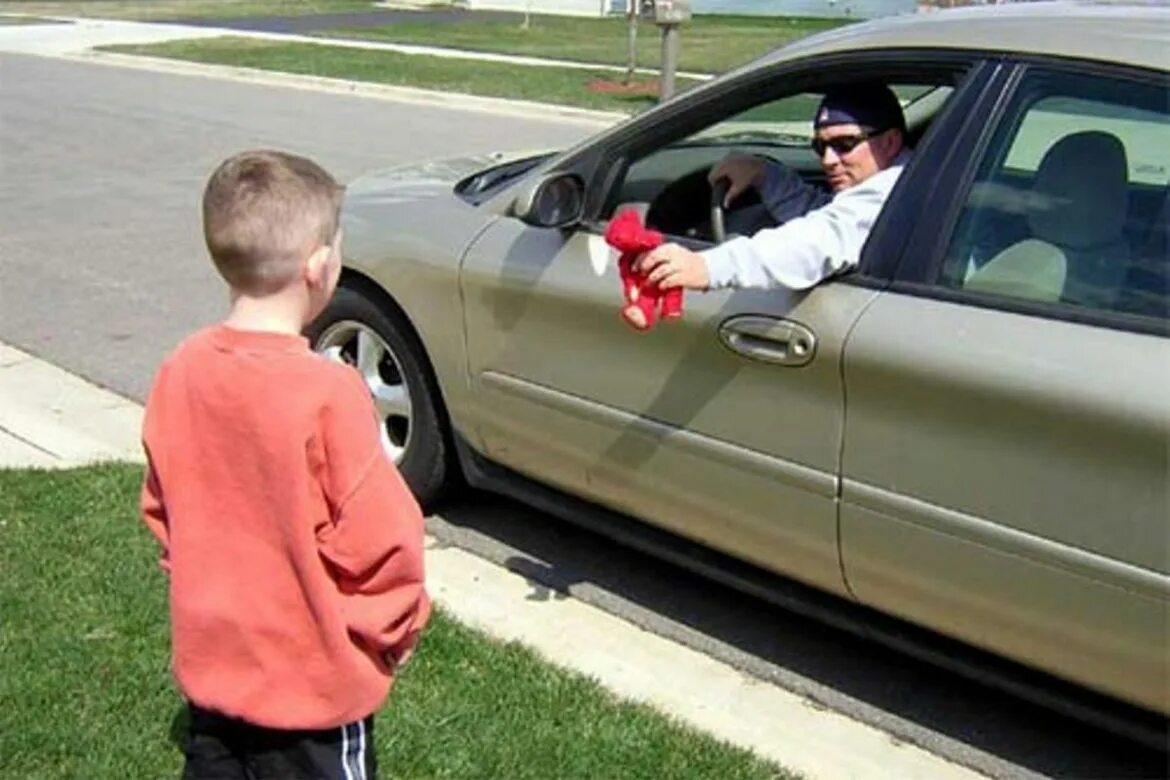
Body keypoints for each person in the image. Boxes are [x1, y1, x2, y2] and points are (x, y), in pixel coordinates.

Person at [139, 149, 431, 780]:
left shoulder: (180, 369)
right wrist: (394, 629)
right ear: (321, 267)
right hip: (317, 699)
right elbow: (383, 540)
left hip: (215, 673)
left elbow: (164, 511)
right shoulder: (329, 394)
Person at [637, 81, 912, 292]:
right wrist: (763, 174)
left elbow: (819, 240)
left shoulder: (894, 193)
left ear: (889, 142)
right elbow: (827, 212)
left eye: (845, 145)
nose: (828, 160)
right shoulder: (915, 177)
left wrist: (708, 266)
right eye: (820, 146)